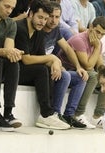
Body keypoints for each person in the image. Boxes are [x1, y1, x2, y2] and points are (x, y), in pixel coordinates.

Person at [14, 0, 70, 130]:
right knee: (41, 70)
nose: (42, 22)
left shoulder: (39, 32)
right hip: (12, 70)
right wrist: (52, 58)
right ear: (30, 14)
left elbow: (43, 57)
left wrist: (55, 62)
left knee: (47, 68)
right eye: (40, 17)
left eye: (45, 19)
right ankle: (46, 114)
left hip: (26, 71)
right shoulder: (20, 28)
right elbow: (26, 59)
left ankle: (50, 113)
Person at [43, 1, 89, 128]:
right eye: (51, 16)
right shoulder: (39, 29)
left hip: (53, 64)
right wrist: (55, 62)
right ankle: (55, 113)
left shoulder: (56, 30)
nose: (53, 20)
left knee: (81, 77)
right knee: (65, 75)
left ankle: (69, 115)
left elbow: (68, 49)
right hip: (41, 67)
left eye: (57, 17)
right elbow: (37, 55)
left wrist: (79, 67)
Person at [59, 16, 105, 129]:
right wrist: (96, 48)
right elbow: (88, 65)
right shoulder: (79, 40)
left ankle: (98, 116)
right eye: (97, 32)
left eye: (103, 34)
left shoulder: (98, 43)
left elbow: (99, 64)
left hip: (81, 72)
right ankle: (79, 113)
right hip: (66, 70)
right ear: (90, 27)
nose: (99, 36)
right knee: (93, 76)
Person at [0, 0, 24, 131]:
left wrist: (14, 53)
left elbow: (8, 51)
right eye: (6, 6)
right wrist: (3, 52)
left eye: (12, 8)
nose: (9, 11)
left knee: (13, 62)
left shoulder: (10, 23)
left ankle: (8, 112)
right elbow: (3, 52)